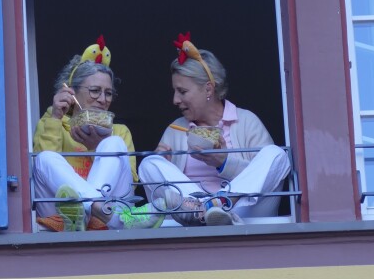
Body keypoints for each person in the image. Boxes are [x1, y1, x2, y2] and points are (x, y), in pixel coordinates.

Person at [138, 32, 290, 226]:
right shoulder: (174, 130)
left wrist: (224, 162)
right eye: (175, 92)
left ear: (208, 89)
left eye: (182, 92)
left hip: (245, 211)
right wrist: (164, 161)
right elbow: (166, 189)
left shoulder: (247, 121)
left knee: (276, 155)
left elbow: (265, 178)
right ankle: (204, 211)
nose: (175, 100)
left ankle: (218, 204)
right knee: (149, 164)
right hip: (190, 212)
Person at [33, 36, 154, 231]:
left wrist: (97, 147)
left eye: (108, 93)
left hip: (107, 220)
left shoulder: (119, 132)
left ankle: (89, 211)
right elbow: (42, 173)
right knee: (44, 158)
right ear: (72, 92)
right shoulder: (52, 121)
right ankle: (92, 208)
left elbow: (130, 187)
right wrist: (55, 117)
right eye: (95, 91)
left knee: (113, 144)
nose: (103, 99)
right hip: (62, 220)